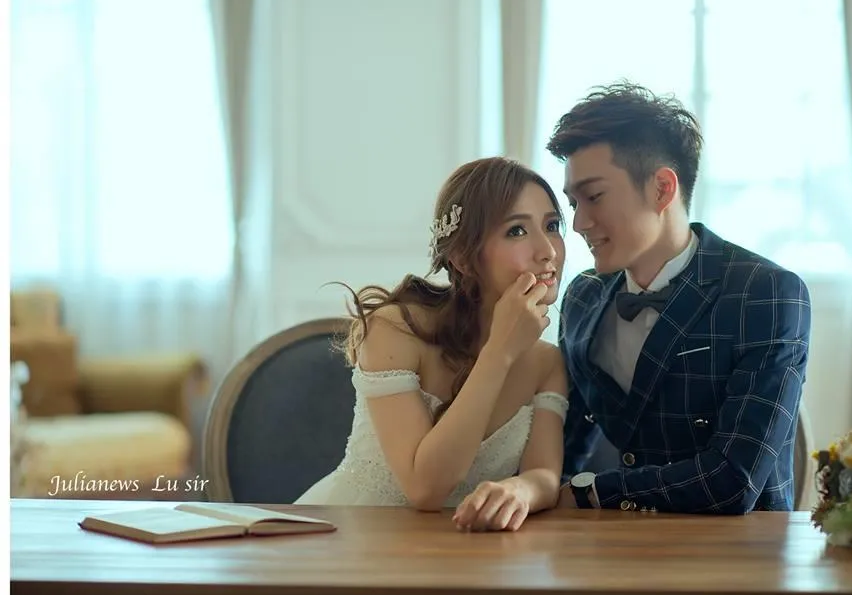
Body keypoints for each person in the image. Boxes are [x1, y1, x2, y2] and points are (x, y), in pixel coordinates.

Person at [549, 82, 811, 514]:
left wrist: (590, 492)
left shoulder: (767, 293)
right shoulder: (582, 296)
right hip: (609, 541)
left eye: (593, 197)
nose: (579, 223)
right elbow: (565, 447)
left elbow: (734, 481)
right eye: (573, 203)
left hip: (741, 548)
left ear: (662, 189)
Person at [295, 157, 570, 532]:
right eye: (517, 231)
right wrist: (499, 352)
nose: (548, 250)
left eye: (552, 226)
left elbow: (545, 475)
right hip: (354, 536)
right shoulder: (395, 330)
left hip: (467, 548)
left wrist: (519, 490)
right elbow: (425, 489)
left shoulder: (547, 362)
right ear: (463, 258)